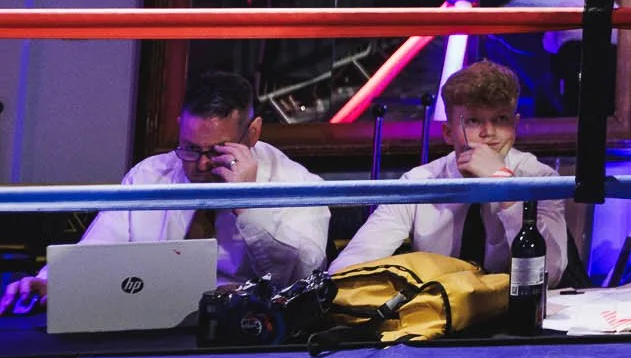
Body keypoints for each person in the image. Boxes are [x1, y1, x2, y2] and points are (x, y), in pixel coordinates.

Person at [0, 71, 328, 313]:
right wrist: (50, 281)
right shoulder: (150, 175)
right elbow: (98, 252)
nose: (200, 165)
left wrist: (247, 204)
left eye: (216, 151)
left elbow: (302, 276)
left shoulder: (300, 184)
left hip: (245, 333)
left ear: (252, 133)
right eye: (189, 148)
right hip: (150, 325)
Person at [332, 59, 571, 280]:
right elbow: (350, 266)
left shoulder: (539, 178)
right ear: (448, 133)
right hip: (436, 313)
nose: (489, 133)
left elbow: (550, 273)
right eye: (474, 121)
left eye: (500, 119)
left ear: (515, 125)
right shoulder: (420, 181)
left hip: (515, 314)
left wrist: (504, 185)